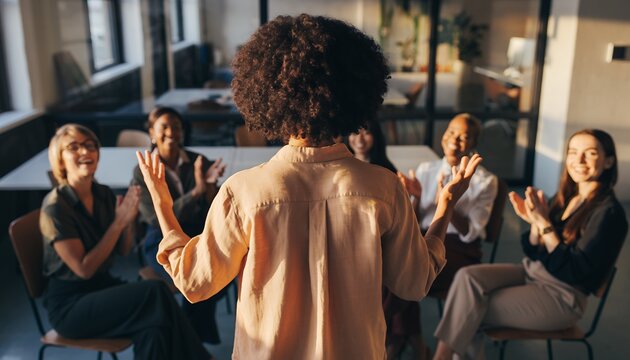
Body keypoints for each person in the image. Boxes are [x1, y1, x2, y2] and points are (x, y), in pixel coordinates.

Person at [136, 14, 482, 359]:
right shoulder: (383, 187)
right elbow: (414, 282)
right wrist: (445, 206)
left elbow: (194, 282)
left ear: (267, 95)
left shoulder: (244, 191)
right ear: (355, 94)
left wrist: (164, 207)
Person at [433, 129, 628, 360]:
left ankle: (441, 357)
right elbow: (534, 251)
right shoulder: (569, 197)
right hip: (533, 272)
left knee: (469, 308)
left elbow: (576, 271)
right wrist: (535, 223)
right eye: (573, 152)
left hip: (562, 296)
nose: (579, 160)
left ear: (608, 161)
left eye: (591, 153)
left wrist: (544, 224)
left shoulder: (610, 213)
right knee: (468, 277)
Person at [40, 124, 211, 360]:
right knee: (155, 291)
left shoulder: (103, 194)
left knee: (153, 329)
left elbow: (123, 249)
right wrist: (118, 223)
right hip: (70, 306)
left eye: (90, 146)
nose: (85, 152)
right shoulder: (55, 208)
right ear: (60, 160)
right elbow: (84, 269)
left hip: (103, 287)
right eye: (74, 147)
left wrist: (129, 221)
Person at [132, 106, 227, 344]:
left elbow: (212, 212)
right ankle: (191, 341)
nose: (171, 132)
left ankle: (185, 340)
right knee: (201, 276)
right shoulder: (142, 170)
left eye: (176, 126)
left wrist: (211, 188)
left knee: (218, 273)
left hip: (196, 235)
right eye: (164, 127)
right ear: (152, 132)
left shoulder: (198, 161)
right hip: (159, 239)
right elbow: (155, 218)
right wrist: (196, 192)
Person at [348, 122, 427, 359]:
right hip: (354, 247)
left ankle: (395, 342)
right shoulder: (341, 169)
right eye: (354, 131)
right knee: (402, 282)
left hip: (383, 244)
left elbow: (404, 220)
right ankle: (412, 343)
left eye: (367, 132)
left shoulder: (386, 171)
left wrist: (416, 199)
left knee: (399, 275)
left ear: (376, 137)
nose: (360, 139)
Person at [399, 113, 498, 294]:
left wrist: (447, 205)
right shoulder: (426, 169)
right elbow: (415, 221)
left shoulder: (485, 181)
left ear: (474, 143)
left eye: (464, 137)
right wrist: (417, 198)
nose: (454, 139)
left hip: (457, 248)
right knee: (395, 265)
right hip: (421, 240)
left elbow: (471, 233)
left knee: (404, 272)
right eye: (451, 132)